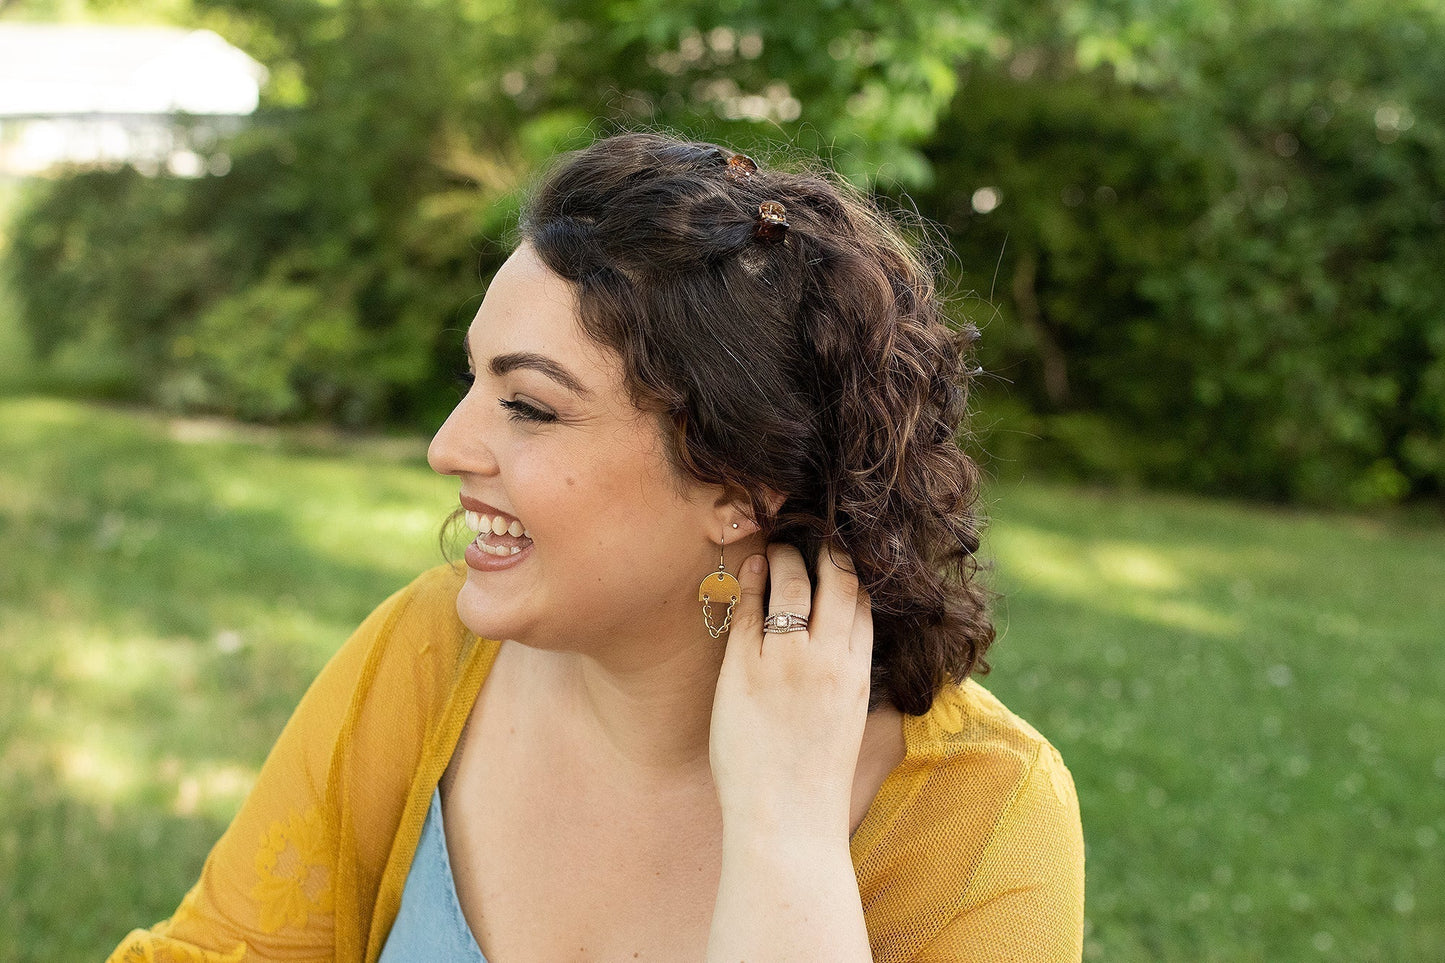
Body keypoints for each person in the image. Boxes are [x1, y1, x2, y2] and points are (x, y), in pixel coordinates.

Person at [108, 131, 1084, 963]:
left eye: (529, 405)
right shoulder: (429, 651)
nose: (447, 447)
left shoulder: (982, 810)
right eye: (473, 380)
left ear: (740, 487)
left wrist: (783, 828)